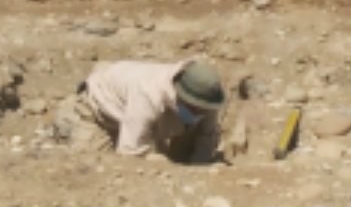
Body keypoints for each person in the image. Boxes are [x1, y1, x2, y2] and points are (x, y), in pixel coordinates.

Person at [52, 59, 226, 164]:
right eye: (193, 108)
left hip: (137, 116)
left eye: (202, 109)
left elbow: (206, 137)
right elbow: (130, 153)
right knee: (99, 165)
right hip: (99, 113)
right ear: (179, 94)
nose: (198, 113)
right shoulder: (149, 94)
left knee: (185, 153)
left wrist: (199, 170)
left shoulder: (206, 97)